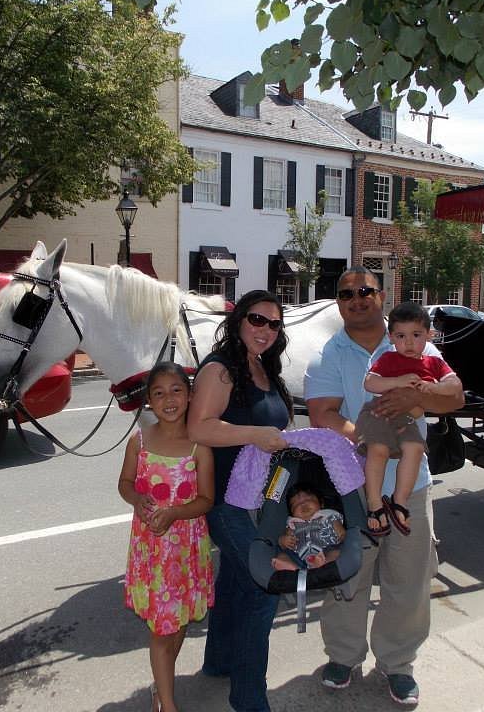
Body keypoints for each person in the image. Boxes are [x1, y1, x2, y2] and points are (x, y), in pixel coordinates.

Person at [304, 266, 464, 708]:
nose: (356, 299)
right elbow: (323, 413)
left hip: (412, 487)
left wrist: (415, 399)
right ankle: (343, 655)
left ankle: (397, 663)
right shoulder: (329, 354)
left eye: (365, 291)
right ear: (338, 302)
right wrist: (371, 437)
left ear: (382, 295)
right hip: (353, 484)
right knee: (348, 575)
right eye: (346, 293)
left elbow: (455, 396)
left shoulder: (416, 343)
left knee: (409, 581)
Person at [187, 290, 293, 712]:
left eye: (274, 323)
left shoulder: (264, 368)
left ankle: (219, 663)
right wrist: (254, 434)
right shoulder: (221, 369)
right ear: (238, 321)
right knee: (264, 588)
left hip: (260, 500)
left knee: (234, 579)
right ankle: (250, 701)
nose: (265, 330)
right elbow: (200, 428)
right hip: (227, 501)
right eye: (256, 320)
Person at [118, 361, 215, 712]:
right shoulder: (139, 441)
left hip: (185, 550)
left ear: (190, 396)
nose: (168, 399)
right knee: (161, 630)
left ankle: (162, 686)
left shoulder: (198, 446)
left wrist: (175, 512)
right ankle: (168, 704)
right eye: (158, 393)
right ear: (149, 402)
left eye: (176, 390)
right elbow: (125, 484)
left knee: (177, 623)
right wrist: (137, 499)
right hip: (151, 550)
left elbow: (206, 500)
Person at [357, 302, 460, 537]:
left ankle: (399, 501)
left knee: (414, 450)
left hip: (408, 420)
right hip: (381, 415)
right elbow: (370, 383)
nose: (409, 342)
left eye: (416, 335)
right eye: (401, 336)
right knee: (379, 451)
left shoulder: (432, 362)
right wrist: (399, 381)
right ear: (391, 337)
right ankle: (374, 503)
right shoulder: (388, 359)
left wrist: (430, 389)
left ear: (429, 335)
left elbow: (455, 386)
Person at [271, 482, 346, 571]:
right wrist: (283, 541)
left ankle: (325, 564)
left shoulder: (328, 516)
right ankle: (294, 569)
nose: (303, 504)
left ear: (321, 503)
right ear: (292, 513)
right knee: (282, 555)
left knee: (335, 553)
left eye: (308, 499)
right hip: (300, 557)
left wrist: (343, 539)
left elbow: (342, 533)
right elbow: (284, 542)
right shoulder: (293, 524)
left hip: (326, 550)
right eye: (296, 504)